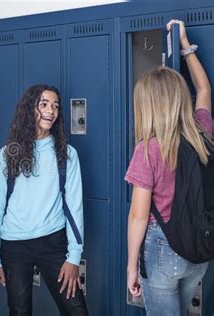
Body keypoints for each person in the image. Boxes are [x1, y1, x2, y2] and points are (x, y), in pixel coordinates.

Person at [126, 20, 212, 316]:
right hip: (198, 250)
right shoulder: (202, 132)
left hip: (163, 249)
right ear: (178, 98)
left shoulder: (148, 149)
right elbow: (203, 89)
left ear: (146, 105)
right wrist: (185, 45)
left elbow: (138, 215)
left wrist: (131, 266)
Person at [0, 84, 89, 315]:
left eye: (55, 106)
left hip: (53, 242)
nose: (51, 111)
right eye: (43, 104)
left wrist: (74, 257)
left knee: (76, 310)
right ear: (29, 109)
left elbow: (75, 208)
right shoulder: (7, 155)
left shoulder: (67, 154)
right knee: (19, 311)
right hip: (14, 245)